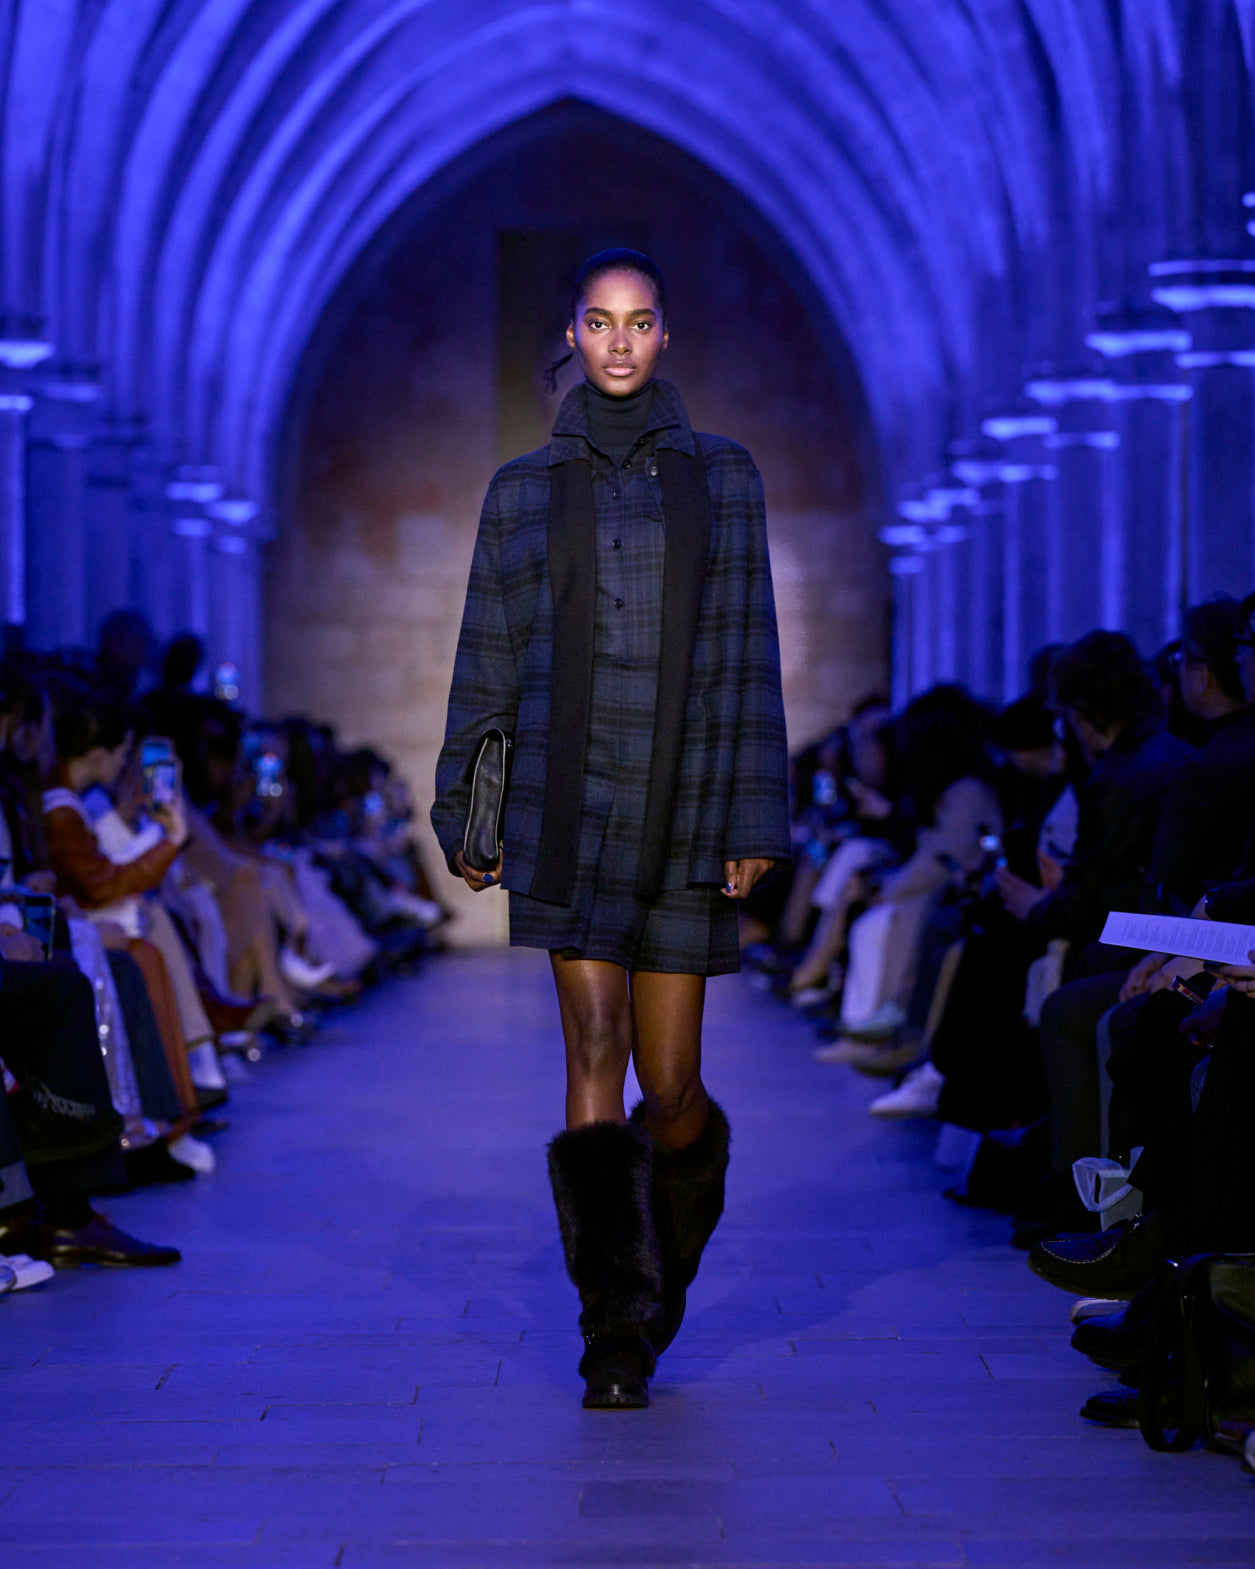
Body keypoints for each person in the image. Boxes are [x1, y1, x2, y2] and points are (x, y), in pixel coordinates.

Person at [432, 249, 790, 1410]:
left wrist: (752, 814)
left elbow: (746, 652)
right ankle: (613, 1327)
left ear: (665, 335)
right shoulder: (522, 490)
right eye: (600, 321)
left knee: (671, 1086)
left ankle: (659, 1256)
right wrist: (465, 804)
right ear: (572, 337)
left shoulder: (723, 476)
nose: (620, 341)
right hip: (567, 802)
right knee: (592, 1044)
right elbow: (487, 655)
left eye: (640, 321)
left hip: (686, 803)